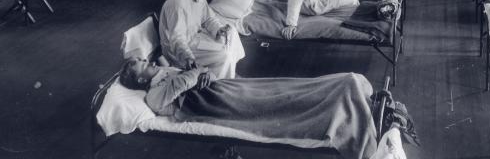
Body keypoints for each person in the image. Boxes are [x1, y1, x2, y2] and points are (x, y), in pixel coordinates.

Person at [118, 58, 384, 159]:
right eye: (140, 63)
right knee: (280, 104)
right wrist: (195, 72)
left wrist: (201, 72)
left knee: (284, 88)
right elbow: (184, 81)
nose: (145, 59)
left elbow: (191, 75)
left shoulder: (162, 75)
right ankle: (347, 99)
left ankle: (348, 90)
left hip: (223, 89)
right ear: (140, 79)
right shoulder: (152, 95)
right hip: (216, 105)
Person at [158, 0, 244, 80]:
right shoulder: (177, 4)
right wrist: (188, 57)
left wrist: (219, 29)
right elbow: (177, 39)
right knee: (224, 55)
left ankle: (229, 71)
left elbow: (208, 19)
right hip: (180, 51)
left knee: (231, 32)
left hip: (194, 39)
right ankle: (223, 83)